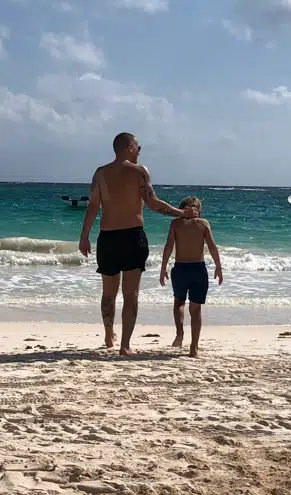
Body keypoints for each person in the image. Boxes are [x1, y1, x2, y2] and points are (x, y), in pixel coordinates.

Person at [78, 132, 184, 355]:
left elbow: (93, 206)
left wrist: (84, 236)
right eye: (138, 146)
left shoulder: (100, 173)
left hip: (107, 237)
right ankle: (125, 345)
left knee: (108, 293)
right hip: (132, 237)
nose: (140, 150)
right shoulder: (140, 172)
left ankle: (109, 336)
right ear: (128, 147)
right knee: (130, 293)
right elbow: (153, 203)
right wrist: (181, 213)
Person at [158, 196, 223, 357]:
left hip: (180, 269)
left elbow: (168, 246)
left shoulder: (175, 224)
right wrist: (218, 267)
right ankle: (194, 347)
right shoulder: (203, 223)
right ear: (198, 210)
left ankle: (180, 334)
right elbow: (212, 247)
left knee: (179, 302)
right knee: (196, 309)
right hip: (198, 270)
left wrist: (163, 268)